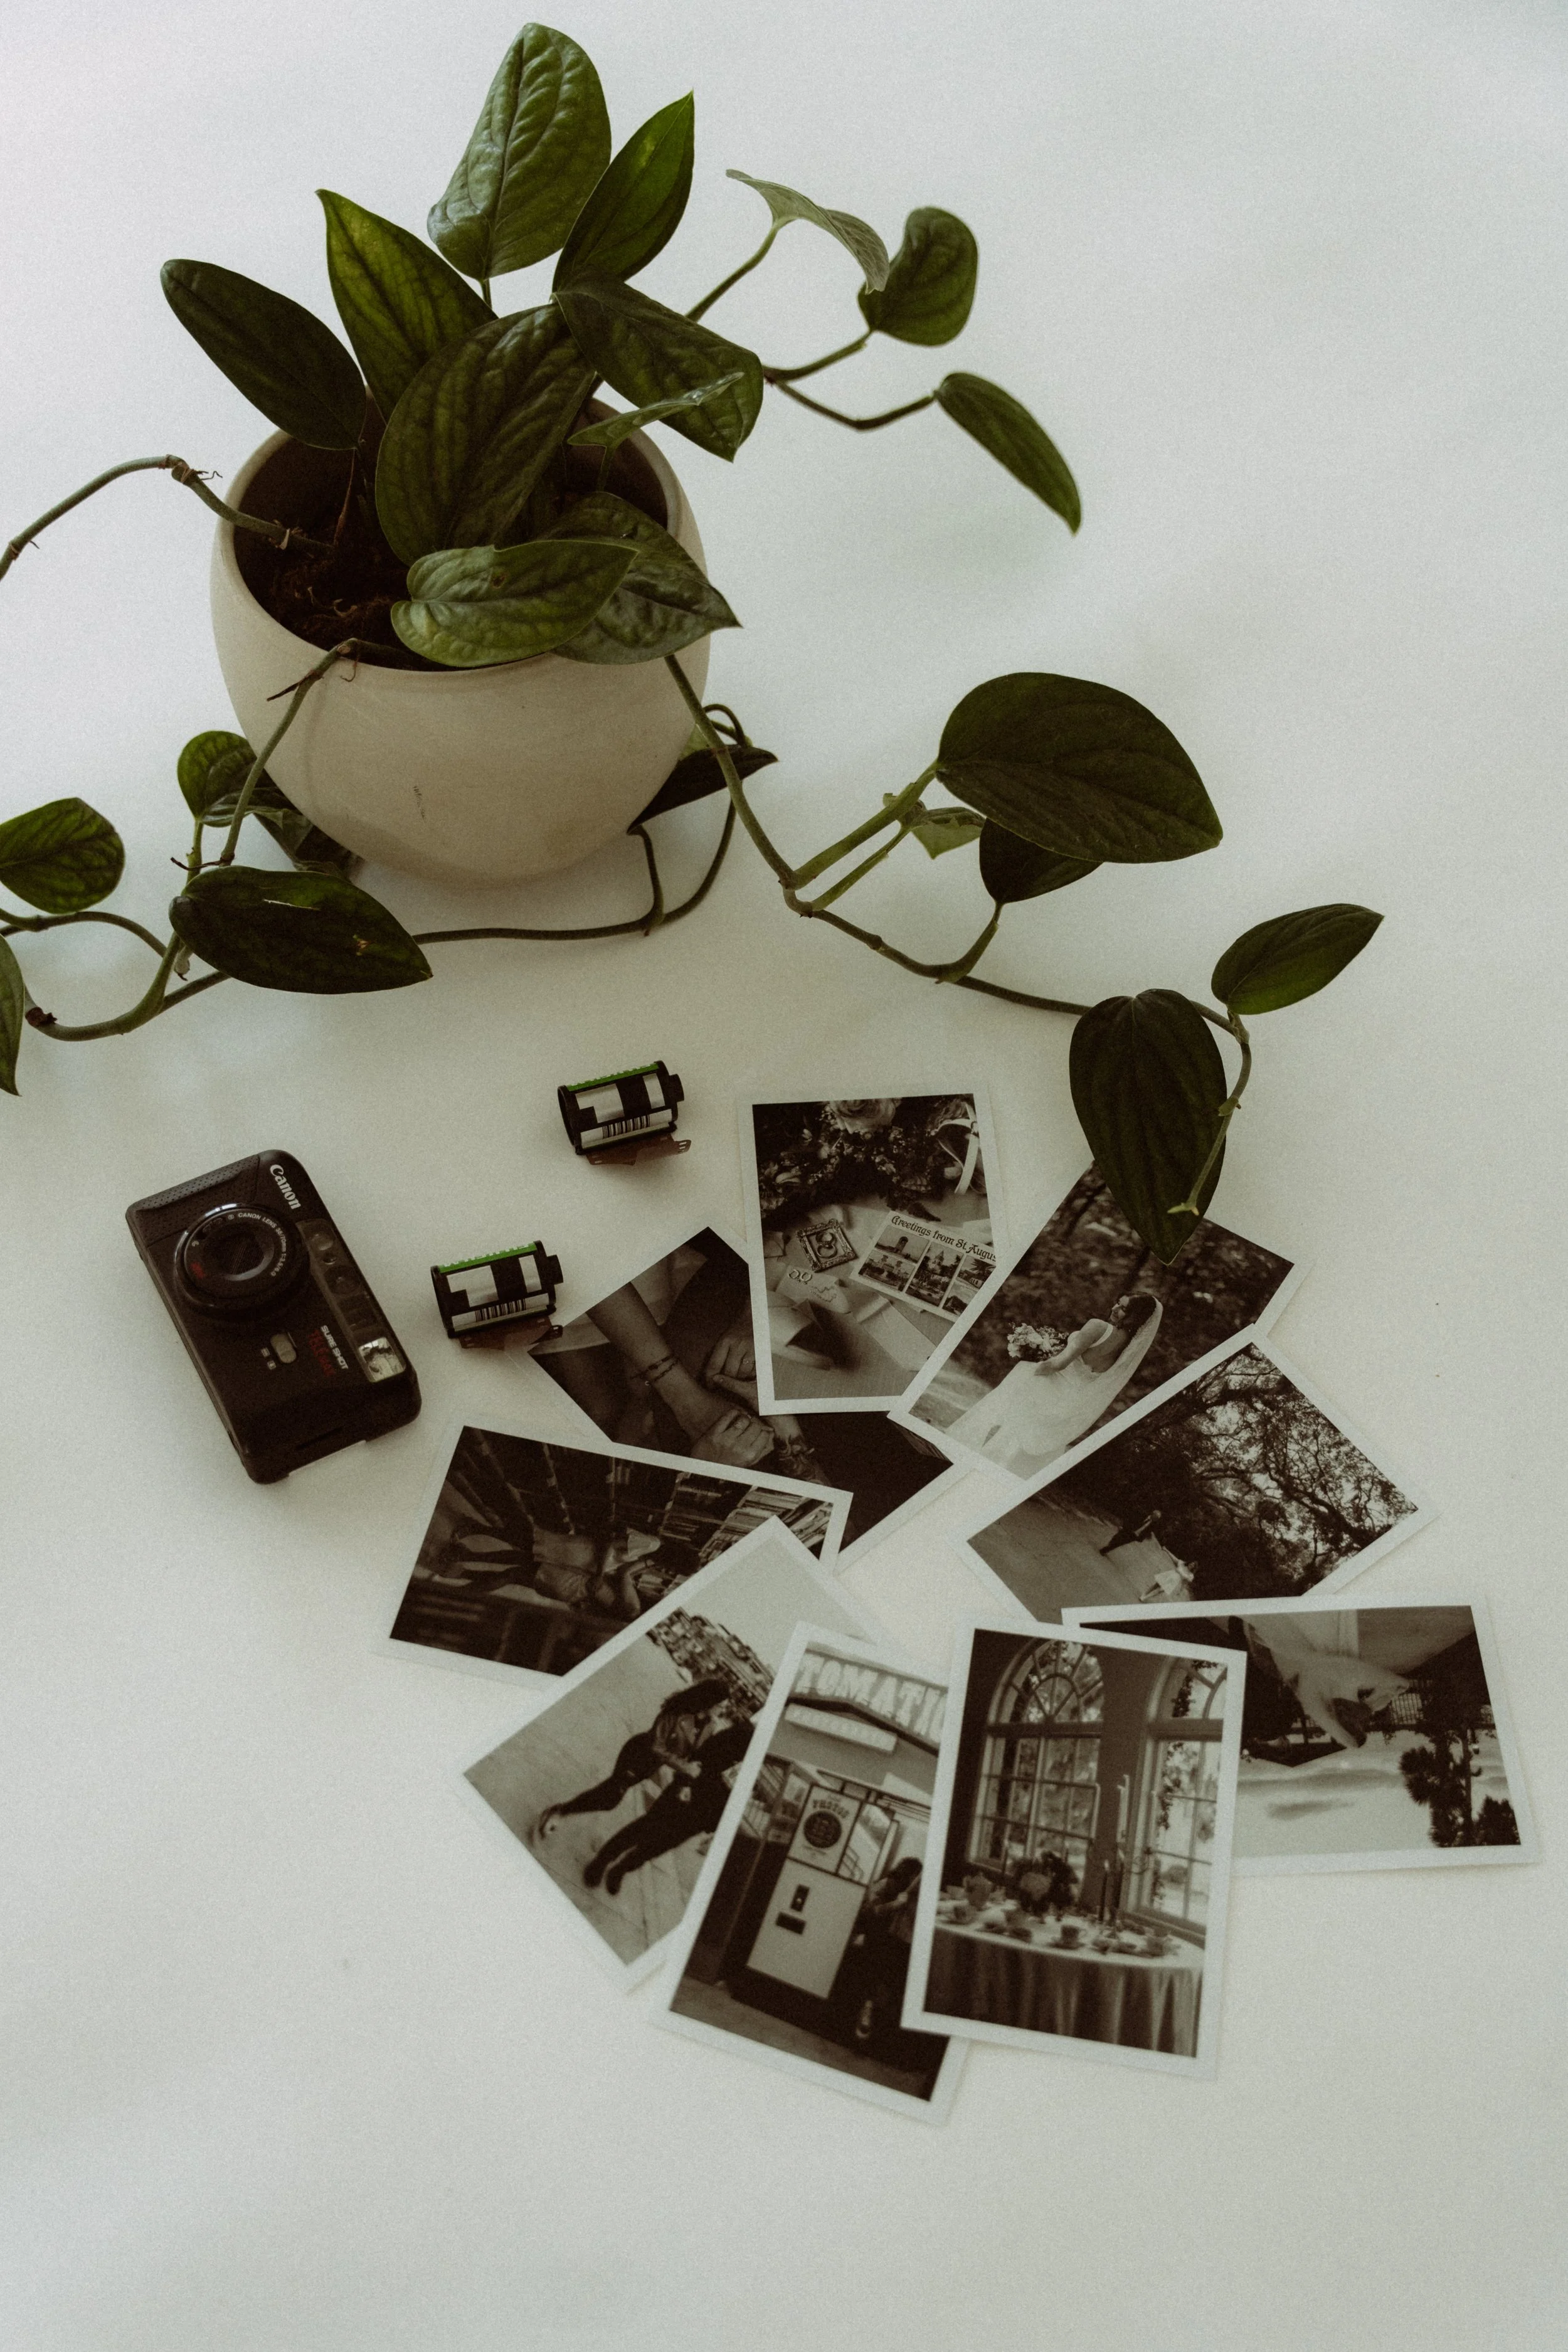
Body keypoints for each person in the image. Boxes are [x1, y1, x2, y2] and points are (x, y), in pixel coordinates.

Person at [946, 1293, 1164, 1473]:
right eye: (1119, 1302)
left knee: (1003, 1421)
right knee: (1016, 1449)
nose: (1115, 1308)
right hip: (1069, 1403)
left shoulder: (1098, 1327)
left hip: (1049, 1387)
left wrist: (1032, 1364)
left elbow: (1060, 1363)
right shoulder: (1128, 1352)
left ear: (1134, 1317)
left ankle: (959, 1458)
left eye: (1124, 1308)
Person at [534, 1679, 733, 1841]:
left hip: (650, 1766)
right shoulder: (678, 1710)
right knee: (611, 1798)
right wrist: (684, 1767)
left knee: (610, 1792)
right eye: (721, 1706)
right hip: (638, 1754)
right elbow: (656, 1745)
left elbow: (695, 1757)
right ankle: (560, 1811)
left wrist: (688, 1782)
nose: (722, 1711)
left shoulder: (709, 1726)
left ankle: (562, 1810)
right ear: (710, 1701)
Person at [582, 1715, 755, 1897]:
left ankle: (621, 1869)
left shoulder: (762, 1764)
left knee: (658, 1847)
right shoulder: (742, 1736)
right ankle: (601, 1861)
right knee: (643, 1829)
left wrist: (714, 1823)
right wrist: (685, 1783)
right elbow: (700, 1756)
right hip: (685, 1795)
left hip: (704, 1815)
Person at [844, 1856, 923, 2048]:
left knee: (882, 1977)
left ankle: (870, 2012)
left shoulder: (908, 1895)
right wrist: (895, 1905)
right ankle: (867, 2011)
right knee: (876, 1975)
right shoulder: (887, 1885)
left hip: (889, 1940)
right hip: (877, 1937)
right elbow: (870, 1911)